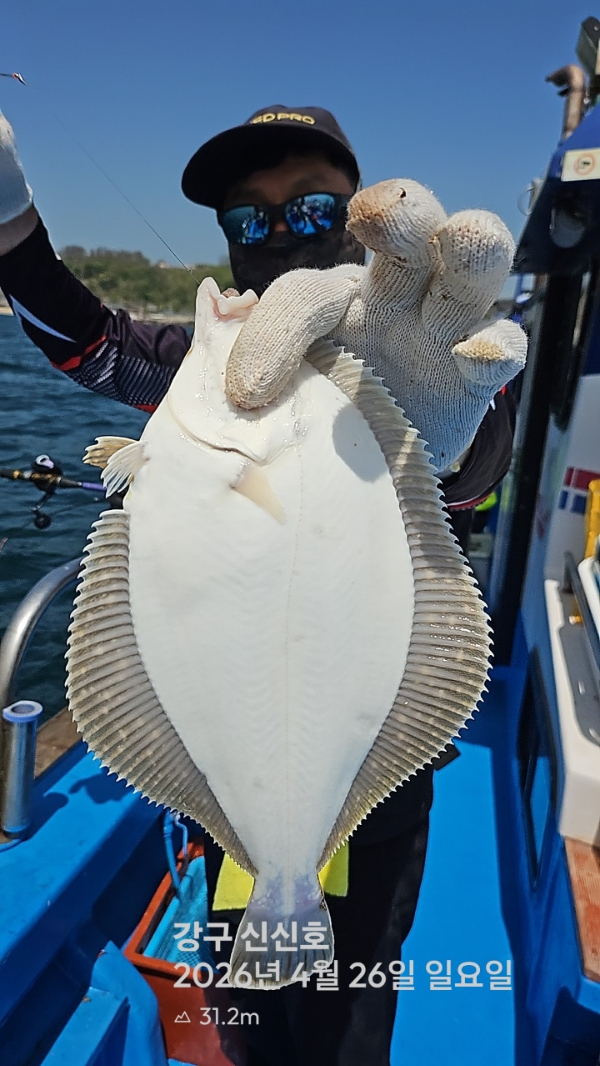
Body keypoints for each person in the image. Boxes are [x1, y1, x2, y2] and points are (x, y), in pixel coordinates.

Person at [0, 105, 526, 1066]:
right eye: (249, 220)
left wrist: (435, 439)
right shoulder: (214, 365)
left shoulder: (425, 352)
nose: (278, 233)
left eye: (311, 207)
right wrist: (7, 215)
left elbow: (481, 458)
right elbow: (82, 338)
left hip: (367, 762)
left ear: (360, 217)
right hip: (230, 755)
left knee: (348, 1020)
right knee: (241, 1002)